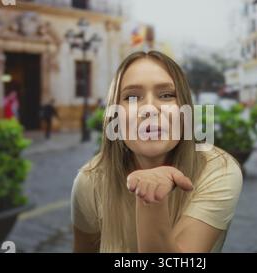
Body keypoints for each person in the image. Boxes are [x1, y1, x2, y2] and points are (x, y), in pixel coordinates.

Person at [71, 51, 243, 253]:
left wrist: (151, 198)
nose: (150, 109)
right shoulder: (90, 181)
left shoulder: (218, 170)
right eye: (132, 97)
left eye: (167, 95)